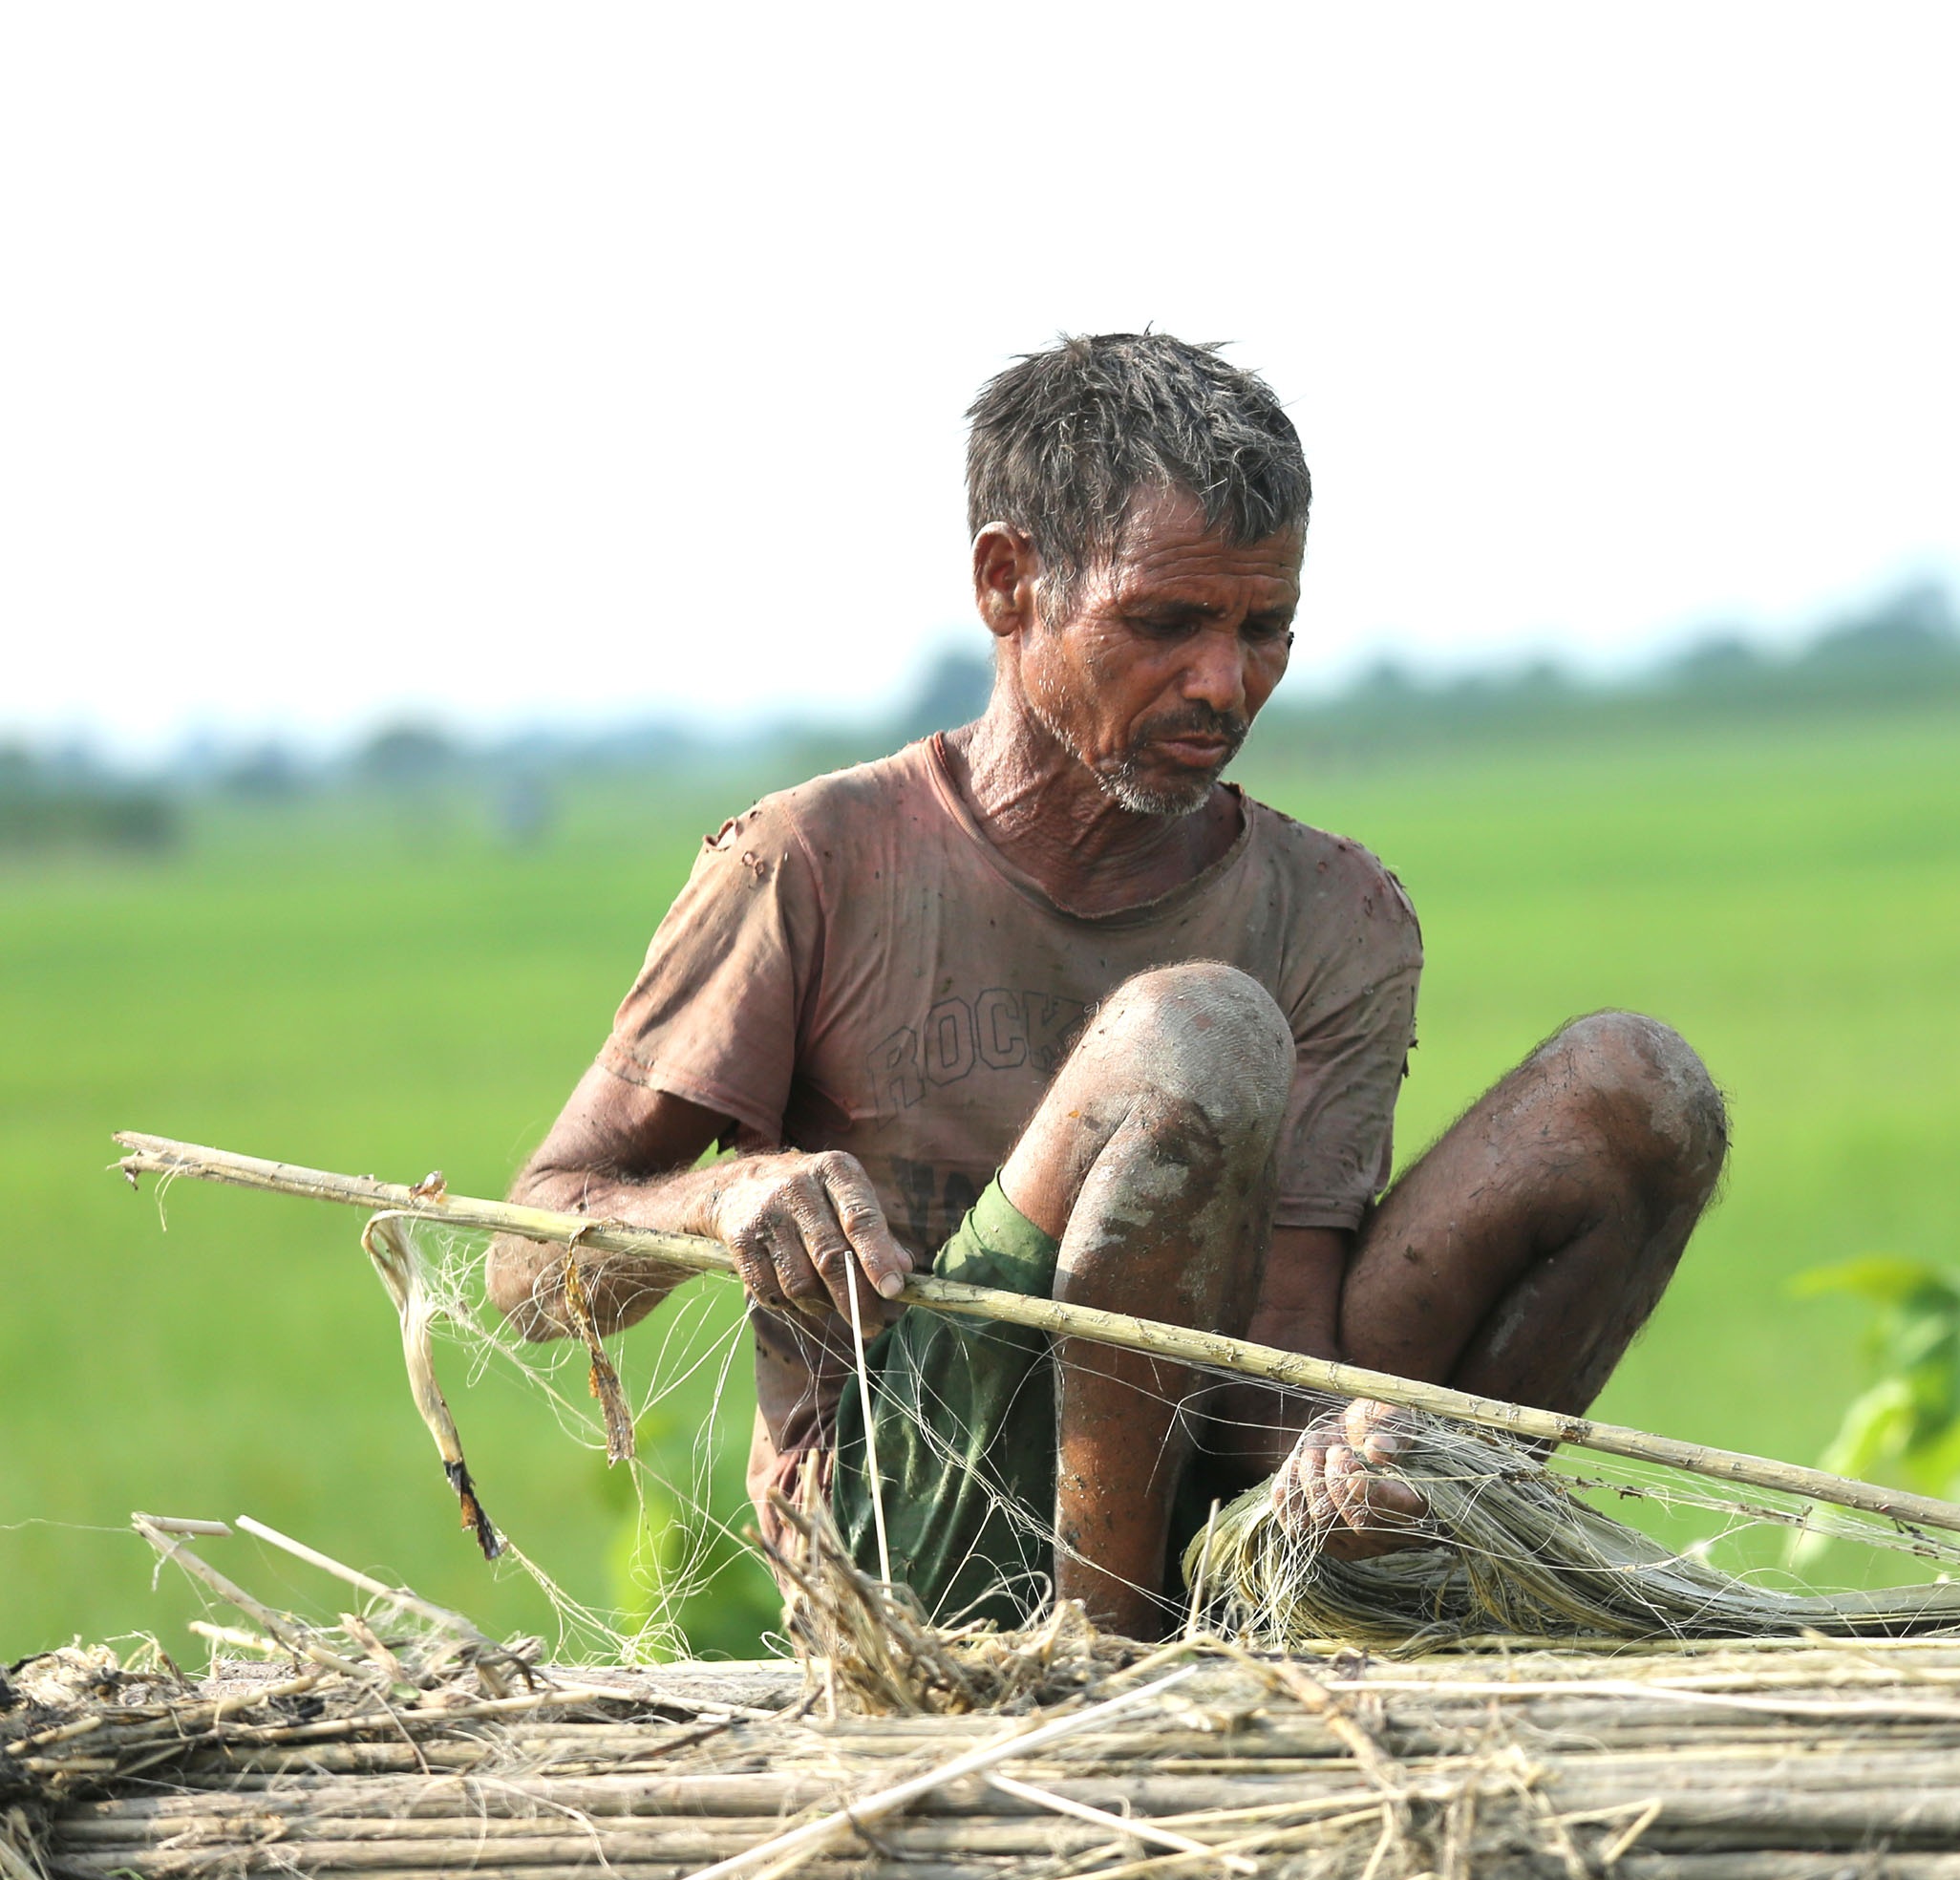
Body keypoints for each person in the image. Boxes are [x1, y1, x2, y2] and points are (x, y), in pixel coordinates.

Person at [485, 331, 1727, 1637]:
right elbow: (525, 1264)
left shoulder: (1337, 911)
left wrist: (1345, 1455)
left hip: (1215, 1515)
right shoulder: (810, 862)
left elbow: (1271, 1353)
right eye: (1167, 624)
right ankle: (1100, 1665)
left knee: (1637, 1091)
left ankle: (1410, 1594)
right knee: (1194, 1033)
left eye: (1265, 631)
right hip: (917, 1541)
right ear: (1007, 582)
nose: (1224, 683)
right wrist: (723, 1198)